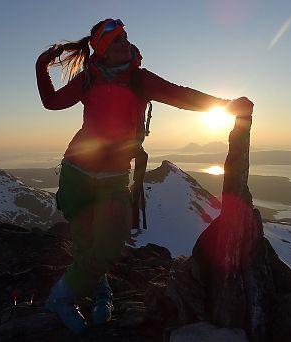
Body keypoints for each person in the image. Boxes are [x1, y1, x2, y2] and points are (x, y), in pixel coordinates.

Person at [36, 18, 253, 335]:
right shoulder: (88, 80)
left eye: (125, 36)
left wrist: (226, 105)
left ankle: (60, 299)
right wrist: (42, 68)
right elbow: (52, 102)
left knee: (108, 248)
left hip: (112, 177)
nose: (125, 42)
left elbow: (181, 96)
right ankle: (100, 295)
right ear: (104, 51)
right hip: (76, 173)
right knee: (85, 248)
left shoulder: (140, 80)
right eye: (117, 41)